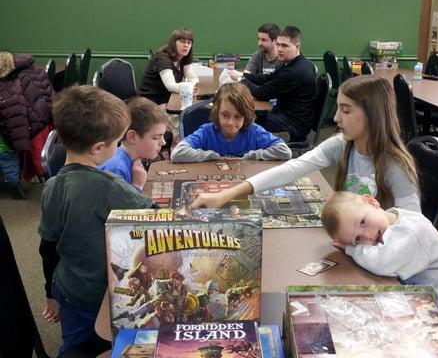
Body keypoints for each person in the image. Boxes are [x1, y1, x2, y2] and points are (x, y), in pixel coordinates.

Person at [191, 75, 420, 213]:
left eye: (346, 110)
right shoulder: (342, 144)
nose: (336, 118)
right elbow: (293, 168)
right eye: (338, 108)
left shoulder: (395, 165)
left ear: (373, 115)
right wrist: (226, 195)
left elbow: (413, 229)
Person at [38, 86, 154, 355]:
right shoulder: (110, 186)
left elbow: (47, 246)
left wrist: (50, 293)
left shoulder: (51, 186)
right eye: (117, 141)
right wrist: (137, 185)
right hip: (103, 297)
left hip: (67, 290)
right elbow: (151, 214)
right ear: (99, 147)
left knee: (74, 347)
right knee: (108, 346)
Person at [321, 191, 438, 333]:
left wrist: (352, 249)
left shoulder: (410, 232)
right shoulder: (390, 220)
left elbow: (381, 262)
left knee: (399, 336)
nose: (367, 236)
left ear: (372, 202)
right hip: (433, 296)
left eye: (363, 222)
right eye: (357, 240)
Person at [229, 25, 316, 143]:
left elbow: (261, 94)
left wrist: (240, 79)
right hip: (286, 117)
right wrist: (244, 76)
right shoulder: (289, 63)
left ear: (297, 47)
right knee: (250, 117)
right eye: (278, 44)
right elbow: (267, 78)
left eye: (284, 45)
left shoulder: (294, 71)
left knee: (245, 122)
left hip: (293, 128)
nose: (279, 49)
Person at [171, 82, 291, 162]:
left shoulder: (253, 131)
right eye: (225, 115)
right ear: (217, 112)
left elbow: (285, 151)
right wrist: (212, 156)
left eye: (238, 116)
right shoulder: (207, 131)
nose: (230, 122)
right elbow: (177, 153)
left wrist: (251, 156)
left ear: (246, 115)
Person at [98, 96, 168, 191]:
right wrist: (137, 186)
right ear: (132, 137)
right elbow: (120, 205)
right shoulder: (116, 169)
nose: (163, 142)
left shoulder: (133, 160)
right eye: (155, 137)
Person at [139, 27, 199, 105]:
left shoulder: (183, 58)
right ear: (173, 43)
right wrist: (189, 88)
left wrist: (191, 85)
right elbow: (171, 86)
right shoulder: (162, 58)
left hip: (168, 99)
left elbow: (194, 78)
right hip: (151, 103)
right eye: (182, 41)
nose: (186, 45)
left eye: (189, 42)